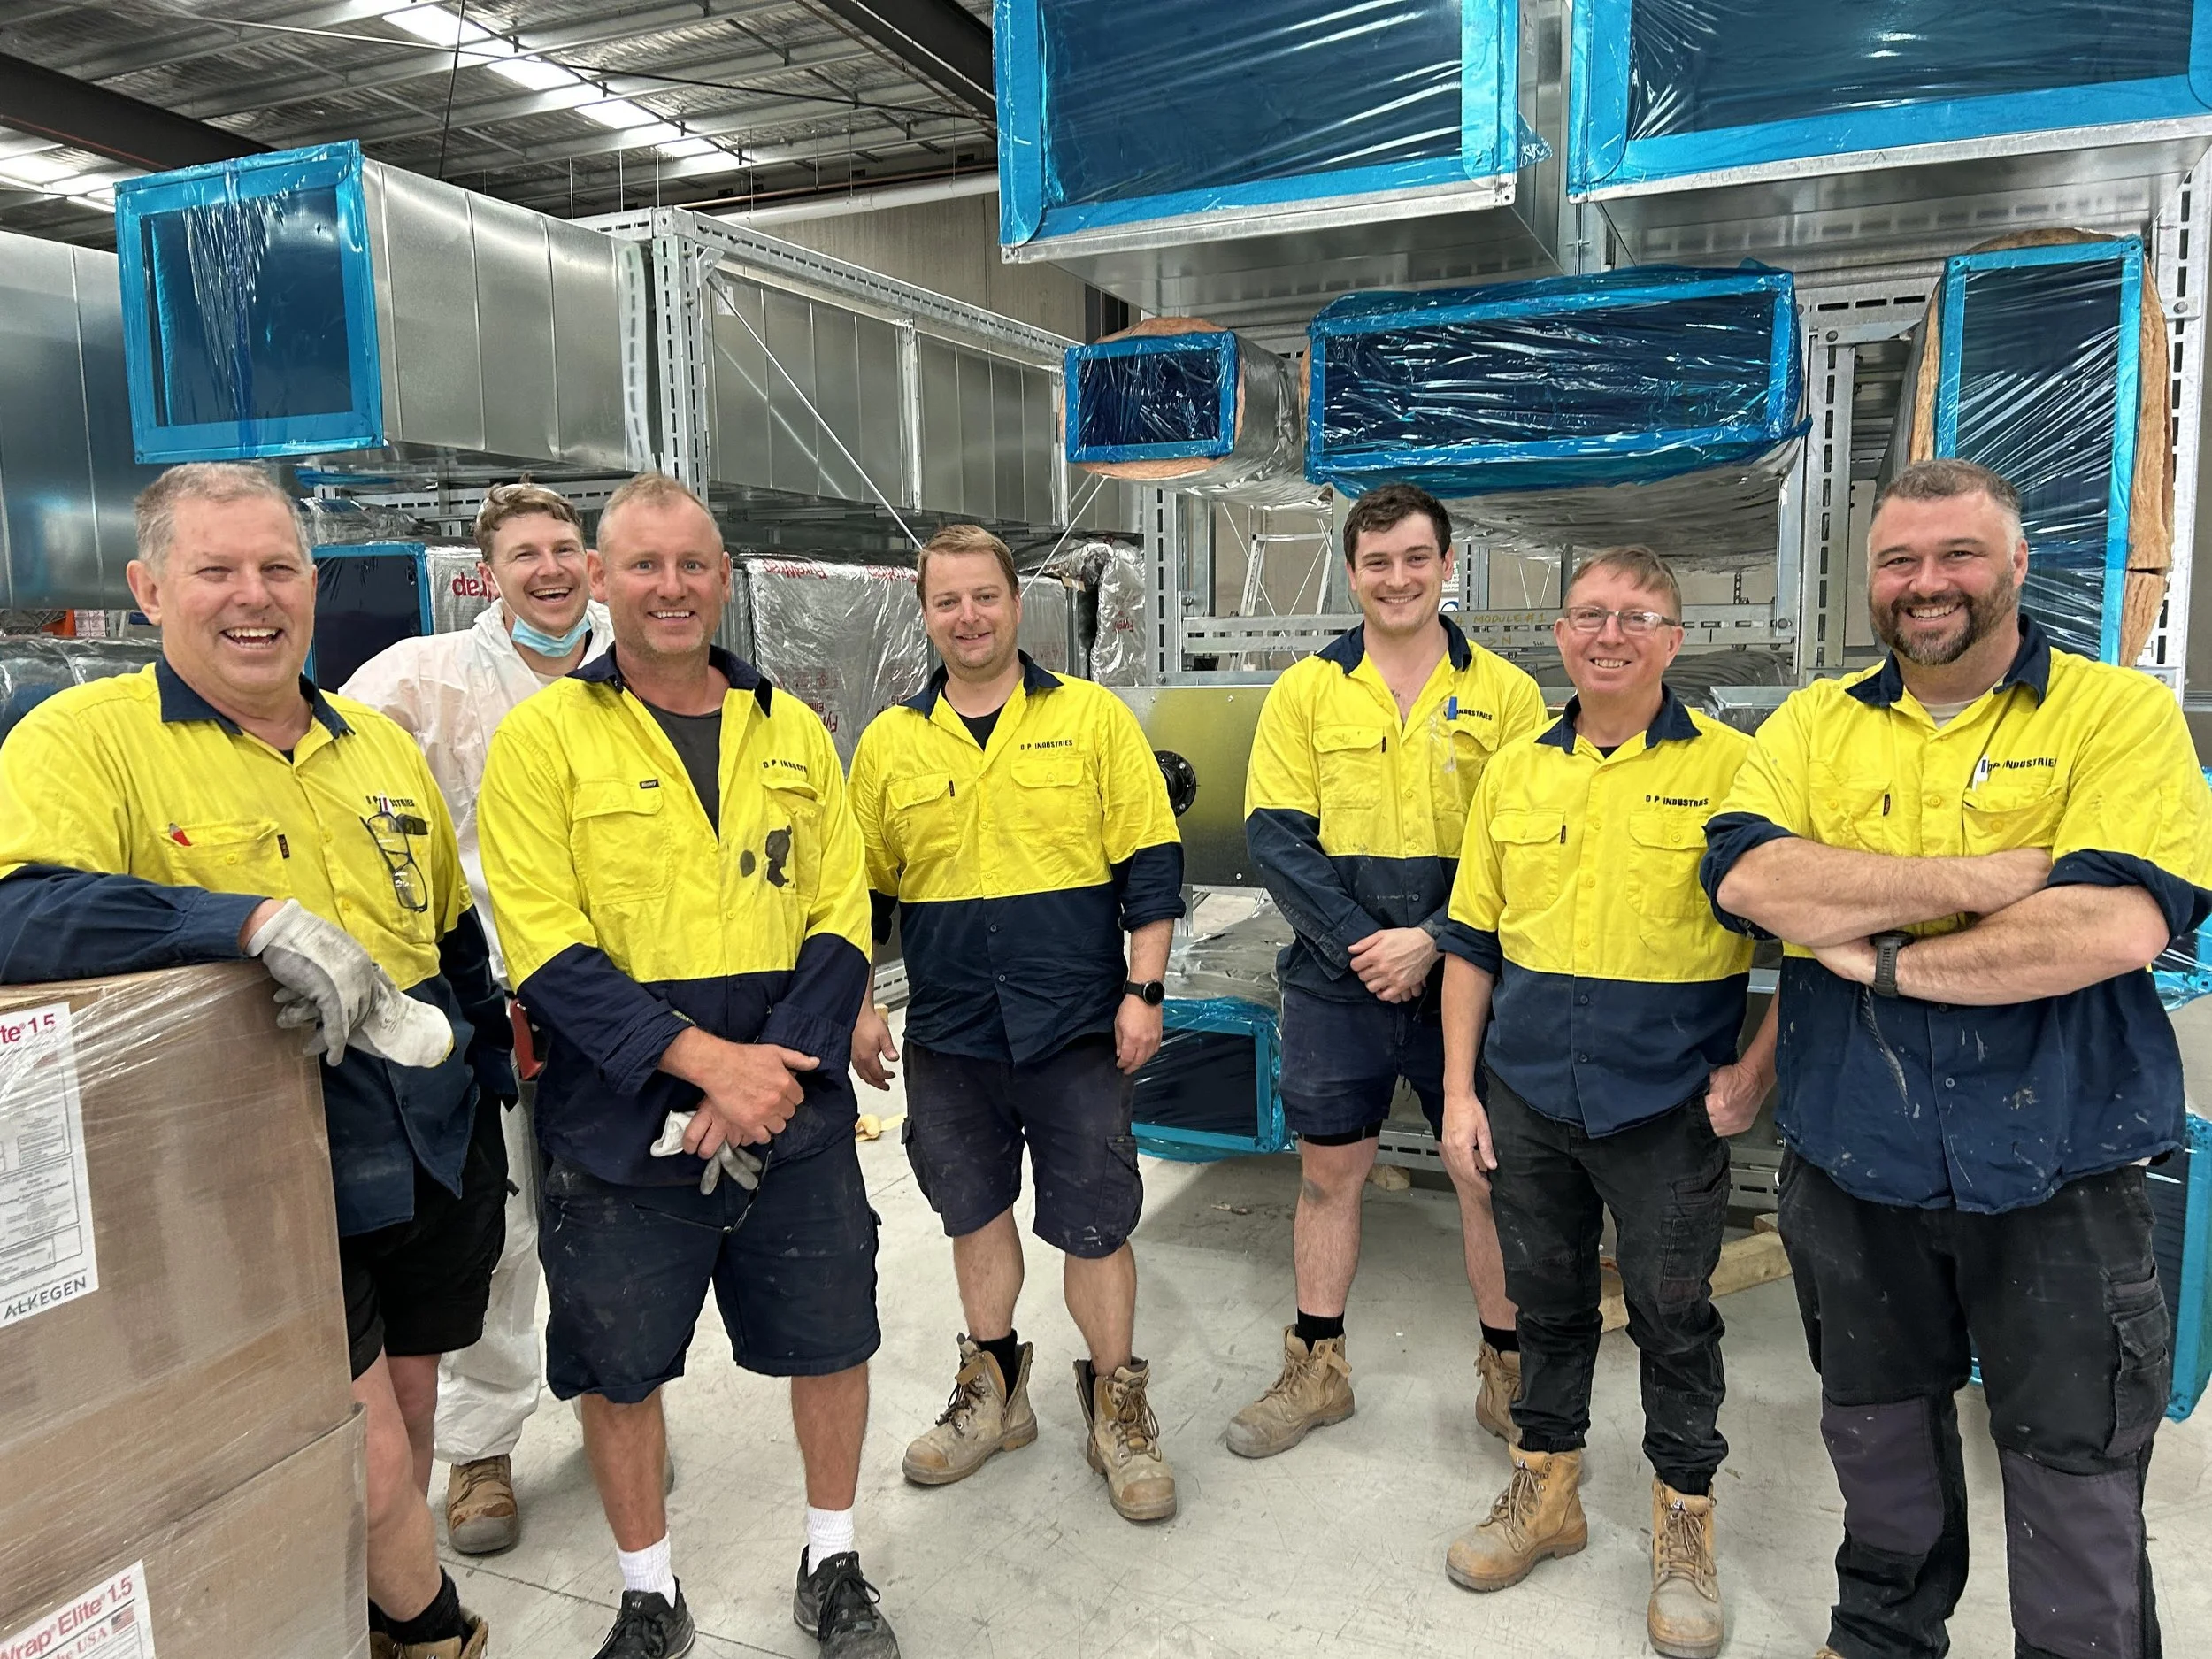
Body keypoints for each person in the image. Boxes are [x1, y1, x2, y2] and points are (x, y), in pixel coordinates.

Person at [1702, 458, 2212, 1659]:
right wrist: (1977, 885)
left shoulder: (2116, 714)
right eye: (1899, 560)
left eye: (1958, 555)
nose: (1927, 583)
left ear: (2018, 564)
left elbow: (2112, 923)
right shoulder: (1817, 720)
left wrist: (1873, 954)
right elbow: (1746, 877)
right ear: (1871, 581)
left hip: (2060, 1162)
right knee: (1875, 1427)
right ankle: (1881, 1630)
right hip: (1853, 1148)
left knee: (2072, 1455)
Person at [0, 463, 511, 1659]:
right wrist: (242, 924)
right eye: (215, 569)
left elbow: (447, 934)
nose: (252, 595)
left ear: (312, 584)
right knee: (369, 1452)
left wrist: (494, 1085)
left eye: (277, 567)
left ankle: (379, 1615)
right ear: (149, 586)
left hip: (430, 1143)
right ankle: (435, 1633)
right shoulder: (84, 736)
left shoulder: (377, 746)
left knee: (413, 1412)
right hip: (248, 1174)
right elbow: (20, 910)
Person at [476, 472, 896, 1659]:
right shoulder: (547, 735)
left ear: (723, 579)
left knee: (833, 1338)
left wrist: (769, 1077)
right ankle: (649, 1590)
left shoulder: (792, 727)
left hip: (791, 1108)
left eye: (693, 564)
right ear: (603, 581)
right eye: (645, 565)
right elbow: (544, 942)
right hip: (617, 1119)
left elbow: (838, 910)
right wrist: (707, 1066)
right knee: (617, 1366)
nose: (672, 586)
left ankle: (833, 1559)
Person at [1435, 546, 1776, 1659]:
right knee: (1545, 1308)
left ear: (1675, 640)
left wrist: (1757, 1068)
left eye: (1637, 617)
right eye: (1589, 615)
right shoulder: (1515, 771)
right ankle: (1547, 1489)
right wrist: (1457, 1094)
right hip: (1528, 1093)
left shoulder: (1740, 770)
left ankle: (1683, 1519)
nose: (1610, 635)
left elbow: (1811, 942)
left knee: (1676, 1317)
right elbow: (1473, 945)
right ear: (1561, 634)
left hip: (1666, 1103)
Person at [848, 524, 1186, 1522]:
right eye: (946, 600)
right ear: (926, 614)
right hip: (951, 1034)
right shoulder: (890, 743)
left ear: (1016, 603)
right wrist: (860, 1000)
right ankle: (992, 1391)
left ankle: (1116, 1405)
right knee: (972, 1211)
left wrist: (1146, 989)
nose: (968, 616)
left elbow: (1150, 866)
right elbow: (856, 895)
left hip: (1076, 1026)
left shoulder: (1089, 720)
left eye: (984, 596)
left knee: (1095, 1221)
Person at [1233, 480, 1549, 1459]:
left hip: (1470, 972)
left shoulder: (1507, 695)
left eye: (1416, 559)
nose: (1398, 578)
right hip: (1340, 978)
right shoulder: (1305, 691)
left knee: (1483, 1171)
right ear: (1352, 572)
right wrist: (1366, 948)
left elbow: (1527, 843)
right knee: (1331, 1174)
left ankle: (1508, 1376)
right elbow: (1277, 838)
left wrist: (1439, 940)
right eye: (1377, 562)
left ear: (1448, 566)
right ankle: (1317, 1367)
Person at [342, 481, 613, 1557]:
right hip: (488, 999)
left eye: (564, 549)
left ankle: (618, 1402)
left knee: (614, 1214)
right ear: (487, 573)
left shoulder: (636, 669)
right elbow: (327, 779)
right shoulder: (421, 680)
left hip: (619, 1000)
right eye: (524, 556)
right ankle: (483, 1449)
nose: (549, 570)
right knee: (499, 1235)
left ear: (590, 562)